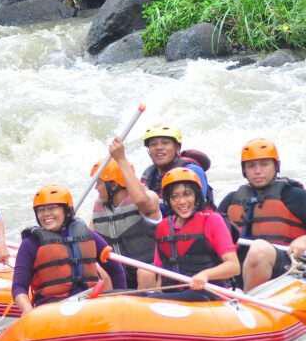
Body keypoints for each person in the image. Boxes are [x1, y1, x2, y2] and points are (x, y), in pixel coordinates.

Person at [218, 139, 306, 291]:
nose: (257, 171)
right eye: (251, 166)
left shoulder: (295, 196)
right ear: (244, 171)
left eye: (264, 164)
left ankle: (249, 304)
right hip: (237, 269)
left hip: (284, 266)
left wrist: (305, 240)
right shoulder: (231, 200)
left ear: (276, 166)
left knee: (259, 250)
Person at [13, 184, 127, 315]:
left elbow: (116, 269)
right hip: (52, 310)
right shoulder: (31, 243)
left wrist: (120, 300)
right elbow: (19, 287)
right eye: (41, 210)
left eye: (52, 208)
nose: (45, 214)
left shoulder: (88, 235)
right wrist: (28, 311)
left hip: (90, 304)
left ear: (66, 210)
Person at [138, 168, 240, 302]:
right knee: (123, 295)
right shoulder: (163, 227)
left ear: (196, 196)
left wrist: (205, 275)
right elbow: (161, 272)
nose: (181, 201)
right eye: (175, 196)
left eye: (187, 194)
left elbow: (234, 266)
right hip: (173, 296)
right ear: (168, 200)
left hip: (207, 295)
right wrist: (157, 294)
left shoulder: (212, 220)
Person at [91, 137, 161, 289]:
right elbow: (87, 240)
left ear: (114, 185)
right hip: (118, 275)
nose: (96, 188)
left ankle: (145, 309)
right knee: (98, 270)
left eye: (99, 183)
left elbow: (142, 201)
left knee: (145, 272)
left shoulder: (149, 198)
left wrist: (120, 158)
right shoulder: (98, 209)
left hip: (150, 275)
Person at [140, 125, 214, 214]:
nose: (159, 147)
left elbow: (194, 206)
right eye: (153, 144)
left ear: (177, 147)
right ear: (149, 151)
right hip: (160, 221)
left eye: (165, 143)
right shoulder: (149, 173)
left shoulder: (192, 171)